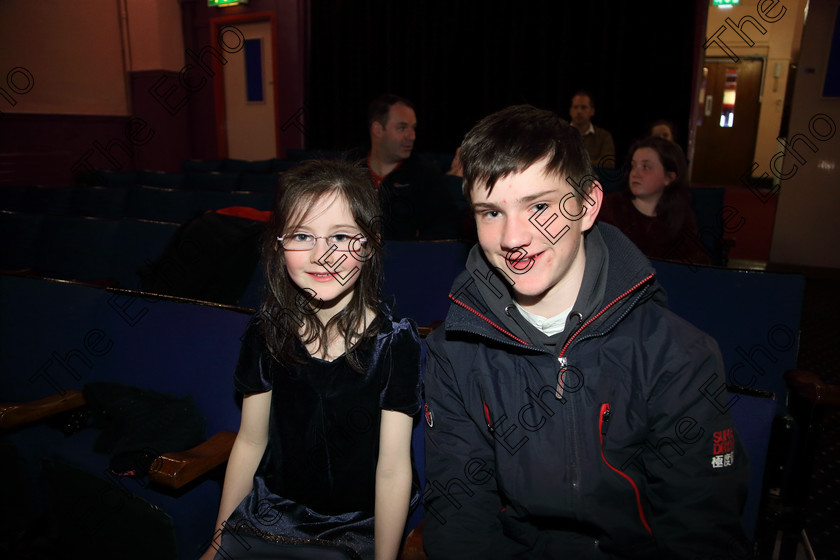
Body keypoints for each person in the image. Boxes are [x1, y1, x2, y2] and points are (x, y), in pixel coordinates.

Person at [423, 105, 750, 559]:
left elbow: (699, 532)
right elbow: (460, 518)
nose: (514, 237)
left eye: (539, 206)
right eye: (491, 212)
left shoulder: (676, 353)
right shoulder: (453, 352)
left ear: (588, 204)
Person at [200, 160, 422, 560]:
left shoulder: (394, 343)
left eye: (340, 236)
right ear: (279, 243)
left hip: (356, 527)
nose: (322, 255)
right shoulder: (266, 332)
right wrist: (216, 545)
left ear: (369, 244)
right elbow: (250, 442)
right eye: (303, 235)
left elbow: (392, 469)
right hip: (270, 513)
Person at [347, 94, 461, 240]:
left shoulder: (427, 177)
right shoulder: (347, 170)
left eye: (413, 128)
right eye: (402, 128)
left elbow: (443, 233)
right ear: (377, 130)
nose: (411, 136)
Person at [598, 136, 711, 265]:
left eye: (646, 167)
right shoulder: (610, 206)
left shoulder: (681, 215)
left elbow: (698, 262)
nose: (635, 173)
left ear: (669, 178)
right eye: (633, 166)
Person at [569, 90, 616, 168]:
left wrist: (578, 165)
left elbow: (609, 163)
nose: (579, 111)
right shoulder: (560, 134)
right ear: (570, 111)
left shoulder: (603, 136)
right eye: (575, 107)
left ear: (592, 111)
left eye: (583, 107)